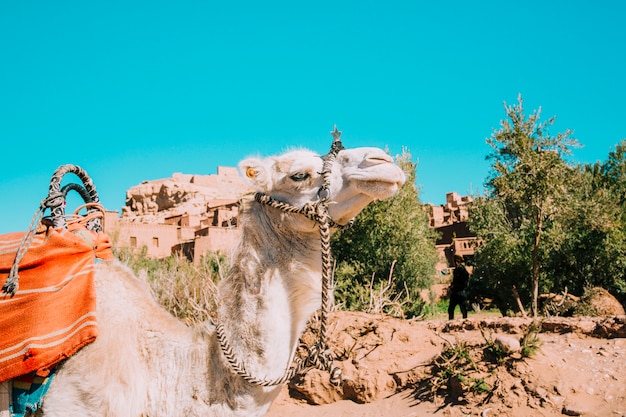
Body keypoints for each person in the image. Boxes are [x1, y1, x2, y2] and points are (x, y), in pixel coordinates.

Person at [448, 255, 469, 319]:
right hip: (458, 291)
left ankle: (464, 321)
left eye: (456, 262)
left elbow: (462, 281)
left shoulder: (461, 271)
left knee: (460, 308)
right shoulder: (459, 271)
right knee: (453, 309)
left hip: (459, 292)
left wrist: (455, 286)